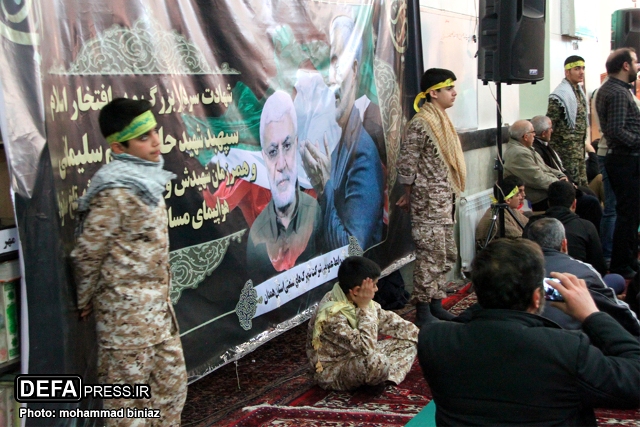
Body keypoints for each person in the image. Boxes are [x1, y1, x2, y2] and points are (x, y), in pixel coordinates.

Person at [418, 239, 640, 426]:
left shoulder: (433, 340)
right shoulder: (567, 349)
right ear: (536, 297)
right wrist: (592, 315)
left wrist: (492, 293)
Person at [71, 98, 187, 425]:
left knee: (171, 394)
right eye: (143, 137)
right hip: (125, 327)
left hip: (159, 317)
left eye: (154, 132)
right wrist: (84, 298)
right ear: (119, 148)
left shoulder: (146, 179)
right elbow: (87, 253)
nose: (155, 141)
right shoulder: (114, 191)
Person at [300, 15, 384, 252]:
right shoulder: (337, 140)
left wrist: (325, 187)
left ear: (355, 70)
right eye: (330, 65)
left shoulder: (362, 154)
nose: (331, 78)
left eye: (338, 64)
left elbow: (352, 250)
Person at [396, 68, 466, 325]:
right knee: (430, 256)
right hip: (428, 205)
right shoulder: (421, 123)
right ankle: (424, 312)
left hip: (444, 202)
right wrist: (408, 195)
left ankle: (436, 304)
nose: (454, 93)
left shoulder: (441, 120)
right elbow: (407, 165)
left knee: (444, 253)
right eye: (449, 88)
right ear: (433, 93)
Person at [306, 256, 419, 392]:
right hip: (333, 369)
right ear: (356, 291)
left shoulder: (351, 297)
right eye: (374, 285)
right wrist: (364, 308)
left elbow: (390, 321)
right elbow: (367, 348)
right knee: (376, 362)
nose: (376, 289)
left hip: (356, 355)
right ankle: (375, 378)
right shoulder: (331, 314)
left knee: (409, 342)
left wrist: (425, 337)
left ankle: (383, 378)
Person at [246, 91, 322, 279]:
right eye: (273, 152)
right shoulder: (257, 238)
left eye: (287, 146)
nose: (281, 164)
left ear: (296, 145)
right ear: (264, 158)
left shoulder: (316, 213)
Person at [527, 218, 639, 336]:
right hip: (572, 339)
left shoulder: (518, 269)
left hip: (526, 337)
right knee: (617, 280)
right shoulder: (583, 271)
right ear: (564, 244)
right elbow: (618, 310)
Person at [596, 48, 640, 280]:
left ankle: (629, 259)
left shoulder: (616, 89)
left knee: (631, 212)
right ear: (625, 65)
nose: (637, 66)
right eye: (635, 62)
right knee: (627, 214)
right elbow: (615, 130)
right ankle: (622, 263)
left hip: (624, 158)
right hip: (625, 159)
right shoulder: (618, 92)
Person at [531, 115, 603, 232]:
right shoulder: (536, 150)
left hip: (564, 184)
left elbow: (559, 170)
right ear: (544, 133)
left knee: (590, 193)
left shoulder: (545, 146)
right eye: (550, 128)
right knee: (591, 201)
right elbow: (544, 174)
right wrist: (567, 184)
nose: (552, 131)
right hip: (557, 192)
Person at [524, 180, 607, 276]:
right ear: (574, 204)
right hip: (579, 279)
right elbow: (599, 268)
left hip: (538, 281)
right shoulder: (586, 227)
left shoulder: (531, 226)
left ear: (548, 203)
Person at [503, 119, 566, 211]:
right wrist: (560, 185)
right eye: (533, 132)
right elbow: (538, 178)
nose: (534, 135)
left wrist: (560, 176)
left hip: (546, 191)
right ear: (525, 137)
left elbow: (545, 168)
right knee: (584, 201)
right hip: (539, 198)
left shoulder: (526, 148)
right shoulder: (519, 154)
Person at [547, 55, 589, 187]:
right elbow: (550, 123)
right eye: (577, 69)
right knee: (572, 186)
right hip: (566, 152)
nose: (581, 72)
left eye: (583, 68)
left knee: (583, 185)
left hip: (579, 150)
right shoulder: (559, 96)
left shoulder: (579, 92)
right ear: (567, 72)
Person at [475, 175, 528, 248]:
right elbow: (521, 240)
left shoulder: (511, 209)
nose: (522, 196)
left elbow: (528, 225)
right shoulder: (499, 218)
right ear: (508, 200)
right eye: (518, 194)